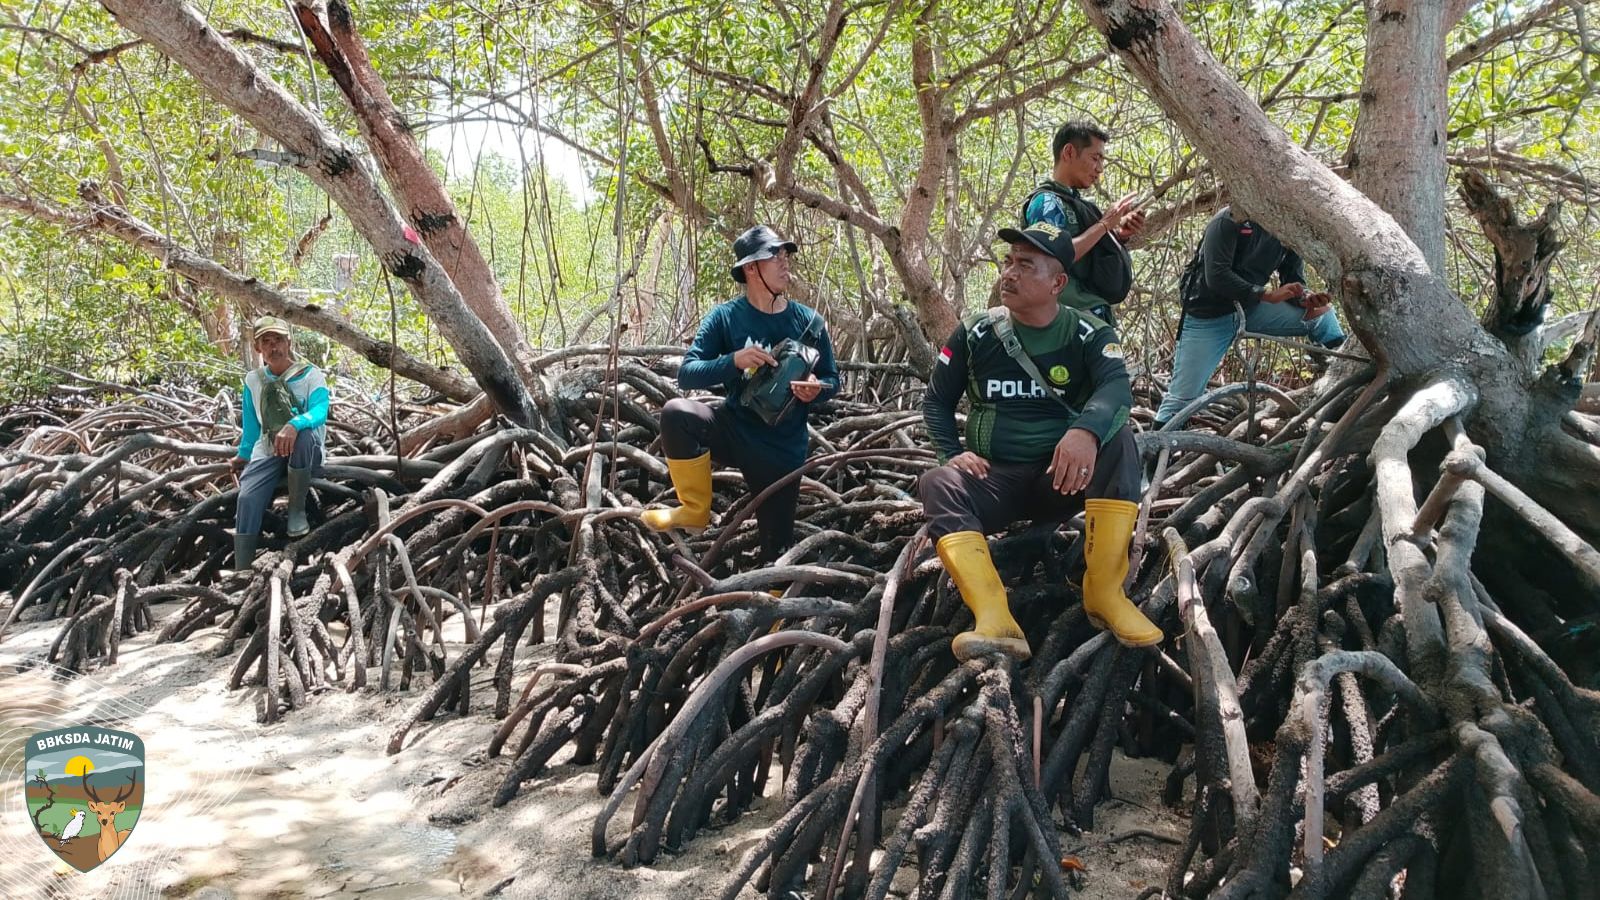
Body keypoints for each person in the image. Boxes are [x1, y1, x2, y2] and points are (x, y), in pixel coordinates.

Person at [919, 221, 1162, 661]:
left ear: (1058, 283)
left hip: (1061, 481)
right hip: (997, 483)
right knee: (938, 482)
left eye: (1025, 265)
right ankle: (995, 616)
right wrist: (951, 453)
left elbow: (1116, 391)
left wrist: (1085, 431)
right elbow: (936, 400)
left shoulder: (1090, 333)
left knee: (1121, 439)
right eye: (1008, 262)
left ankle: (1104, 593)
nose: (1008, 273)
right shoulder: (976, 335)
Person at [641, 225, 840, 563]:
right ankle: (693, 509)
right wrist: (733, 361)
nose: (784, 262)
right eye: (773, 256)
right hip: (734, 429)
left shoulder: (809, 322)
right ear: (751, 268)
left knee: (776, 554)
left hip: (781, 451)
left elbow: (833, 380)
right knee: (677, 414)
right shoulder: (725, 317)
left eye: (785, 255)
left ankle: (775, 613)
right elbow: (687, 373)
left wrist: (816, 391)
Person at [1152, 207, 1347, 428]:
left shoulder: (1287, 230)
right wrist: (1265, 295)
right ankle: (1153, 454)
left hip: (1251, 309)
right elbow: (1216, 276)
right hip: (1208, 317)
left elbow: (1292, 277)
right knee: (1182, 399)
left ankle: (1345, 377)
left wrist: (1305, 297)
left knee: (1321, 316)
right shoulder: (1228, 221)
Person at [1020, 122, 1145, 324]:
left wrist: (1119, 234)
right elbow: (1054, 256)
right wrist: (1104, 225)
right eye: (1095, 158)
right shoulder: (1046, 202)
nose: (1099, 169)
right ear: (1069, 152)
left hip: (1090, 315)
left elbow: (1086, 256)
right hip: (1064, 320)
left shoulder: (1077, 204)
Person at [230, 315, 329, 568]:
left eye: (279, 340)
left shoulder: (311, 375)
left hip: (307, 452)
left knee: (305, 434)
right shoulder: (253, 380)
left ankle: (296, 511)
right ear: (258, 348)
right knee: (247, 499)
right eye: (267, 342)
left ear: (289, 342)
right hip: (270, 450)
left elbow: (320, 411)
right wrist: (243, 454)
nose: (274, 347)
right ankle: (242, 568)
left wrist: (295, 425)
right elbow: (252, 425)